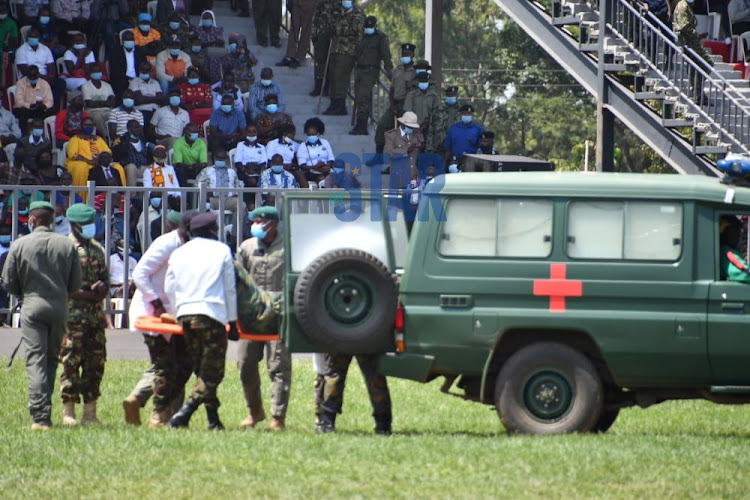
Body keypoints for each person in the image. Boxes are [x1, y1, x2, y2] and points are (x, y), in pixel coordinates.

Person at [2, 201, 81, 430]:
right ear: (52, 220)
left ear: (32, 220)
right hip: (58, 308)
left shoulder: (19, 245)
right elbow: (75, 284)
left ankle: (40, 417)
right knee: (50, 361)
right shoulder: (66, 246)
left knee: (35, 360)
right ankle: (45, 410)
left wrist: (25, 294)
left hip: (32, 305)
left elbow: (9, 283)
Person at [165, 211, 238, 430]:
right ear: (211, 230)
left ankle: (213, 419)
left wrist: (179, 309)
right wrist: (233, 321)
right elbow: (229, 288)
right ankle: (183, 415)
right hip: (211, 314)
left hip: (186, 314)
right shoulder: (222, 250)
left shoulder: (179, 252)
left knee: (201, 369)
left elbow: (169, 287)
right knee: (213, 371)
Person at [125, 210, 194, 428]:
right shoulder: (166, 243)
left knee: (182, 362)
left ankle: (165, 411)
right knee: (166, 364)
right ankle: (158, 412)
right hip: (151, 310)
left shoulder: (190, 247)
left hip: (172, 313)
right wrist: (155, 302)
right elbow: (139, 274)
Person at [236, 206, 290, 431]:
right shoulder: (247, 247)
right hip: (252, 316)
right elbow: (238, 278)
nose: (255, 225)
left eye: (260, 221)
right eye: (254, 221)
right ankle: (254, 411)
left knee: (278, 367)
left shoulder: (289, 247)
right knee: (245, 363)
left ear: (273, 224)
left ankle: (277, 417)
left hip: (279, 316)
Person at [59, 203, 110, 426]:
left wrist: (102, 288)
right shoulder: (64, 249)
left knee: (95, 363)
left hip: (95, 318)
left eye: (91, 223)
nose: (90, 227)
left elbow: (106, 280)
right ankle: (68, 412)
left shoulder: (97, 248)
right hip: (72, 318)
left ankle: (90, 414)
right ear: (74, 225)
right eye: (85, 224)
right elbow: (62, 286)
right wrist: (90, 293)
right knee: (71, 361)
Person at [315, 351, 392, 434]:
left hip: (339, 342)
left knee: (334, 375)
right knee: (375, 378)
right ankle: (384, 425)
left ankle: (326, 423)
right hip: (368, 342)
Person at [349, 16, 392, 135]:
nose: (368, 29)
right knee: (359, 96)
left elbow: (386, 56)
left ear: (375, 26)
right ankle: (361, 122)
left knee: (363, 97)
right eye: (366, 27)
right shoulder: (362, 37)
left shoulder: (381, 38)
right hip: (360, 70)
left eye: (370, 27)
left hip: (371, 71)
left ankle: (362, 124)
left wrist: (389, 71)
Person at [373, 43, 417, 156]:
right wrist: (392, 105)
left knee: (401, 133)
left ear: (412, 55)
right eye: (403, 54)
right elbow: (392, 89)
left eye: (407, 54)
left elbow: (413, 92)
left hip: (406, 106)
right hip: (395, 104)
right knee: (382, 125)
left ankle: (397, 160)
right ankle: (378, 156)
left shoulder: (414, 73)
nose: (404, 56)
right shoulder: (398, 69)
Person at [323, 0, 364, 116]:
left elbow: (358, 32)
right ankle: (333, 102)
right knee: (333, 75)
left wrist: (337, 30)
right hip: (335, 48)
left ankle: (340, 104)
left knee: (340, 76)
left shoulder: (358, 14)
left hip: (347, 50)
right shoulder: (340, 11)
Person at [66, 116, 112, 189]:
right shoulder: (75, 139)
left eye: (91, 125)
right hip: (80, 163)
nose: (89, 127)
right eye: (86, 125)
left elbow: (108, 152)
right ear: (81, 126)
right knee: (82, 166)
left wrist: (99, 161)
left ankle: (122, 196)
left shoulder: (98, 139)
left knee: (118, 167)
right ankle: (82, 196)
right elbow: (73, 154)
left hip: (98, 164)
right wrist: (89, 161)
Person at [309, 0, 341, 97]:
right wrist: (314, 35)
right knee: (320, 61)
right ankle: (318, 86)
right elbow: (315, 19)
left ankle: (327, 87)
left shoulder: (339, 4)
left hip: (334, 36)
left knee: (331, 62)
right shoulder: (321, 4)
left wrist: (337, 30)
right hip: (321, 34)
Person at [384, 111, 424, 188]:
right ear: (402, 124)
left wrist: (421, 147)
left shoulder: (417, 135)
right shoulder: (392, 135)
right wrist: (406, 150)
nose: (411, 129)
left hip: (414, 178)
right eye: (409, 126)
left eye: (412, 127)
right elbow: (388, 154)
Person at [112, 119, 154, 186]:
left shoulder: (144, 141)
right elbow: (117, 157)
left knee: (151, 168)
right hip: (127, 169)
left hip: (142, 168)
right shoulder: (121, 141)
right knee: (132, 167)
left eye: (139, 127)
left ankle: (150, 194)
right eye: (136, 127)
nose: (138, 129)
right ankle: (132, 195)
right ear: (129, 129)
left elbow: (149, 158)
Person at [82, 63, 117, 139]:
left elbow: (112, 102)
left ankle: (117, 137)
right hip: (92, 112)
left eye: (98, 71)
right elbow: (89, 104)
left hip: (107, 110)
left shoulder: (107, 86)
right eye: (95, 71)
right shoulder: (86, 86)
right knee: (98, 117)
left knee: (116, 115)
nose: (97, 73)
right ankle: (106, 137)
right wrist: (105, 102)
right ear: (90, 73)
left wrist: (97, 102)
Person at [110, 30, 147, 99]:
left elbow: (144, 66)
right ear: (122, 41)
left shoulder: (140, 51)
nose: (129, 41)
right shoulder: (115, 51)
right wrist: (127, 79)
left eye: (131, 39)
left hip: (138, 78)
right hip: (122, 79)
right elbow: (114, 69)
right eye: (127, 39)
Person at [277, 0, 315, 68]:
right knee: (293, 30)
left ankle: (299, 58)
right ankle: (290, 56)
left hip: (310, 5)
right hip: (296, 4)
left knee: (306, 32)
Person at [297, 117, 334, 185]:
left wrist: (327, 167)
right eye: (309, 135)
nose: (311, 136)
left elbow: (331, 159)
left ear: (318, 133)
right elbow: (302, 165)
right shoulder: (302, 146)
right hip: (311, 171)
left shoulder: (325, 142)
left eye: (313, 134)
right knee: (322, 179)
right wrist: (315, 167)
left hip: (326, 170)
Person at [403, 72, 440, 136]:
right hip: (413, 127)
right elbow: (408, 112)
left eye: (425, 81)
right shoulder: (411, 95)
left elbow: (437, 112)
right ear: (418, 82)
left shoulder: (434, 96)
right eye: (422, 81)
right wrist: (414, 126)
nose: (424, 83)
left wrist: (426, 125)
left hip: (430, 128)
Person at [426, 86, 460, 154]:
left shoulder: (461, 112)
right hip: (439, 146)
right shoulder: (438, 110)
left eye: (453, 95)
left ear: (456, 95)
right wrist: (429, 148)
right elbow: (431, 130)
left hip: (456, 146)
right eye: (449, 95)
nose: (451, 97)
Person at [129, 61, 165, 126]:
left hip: (155, 110)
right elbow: (139, 99)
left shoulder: (155, 82)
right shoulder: (134, 82)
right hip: (141, 110)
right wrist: (155, 98)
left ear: (151, 71)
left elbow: (161, 99)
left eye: (147, 70)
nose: (144, 72)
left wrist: (145, 98)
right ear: (139, 70)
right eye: (142, 70)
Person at [720, 215, 750, 281]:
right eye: (737, 231)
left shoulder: (720, 250)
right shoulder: (727, 253)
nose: (739, 236)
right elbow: (745, 274)